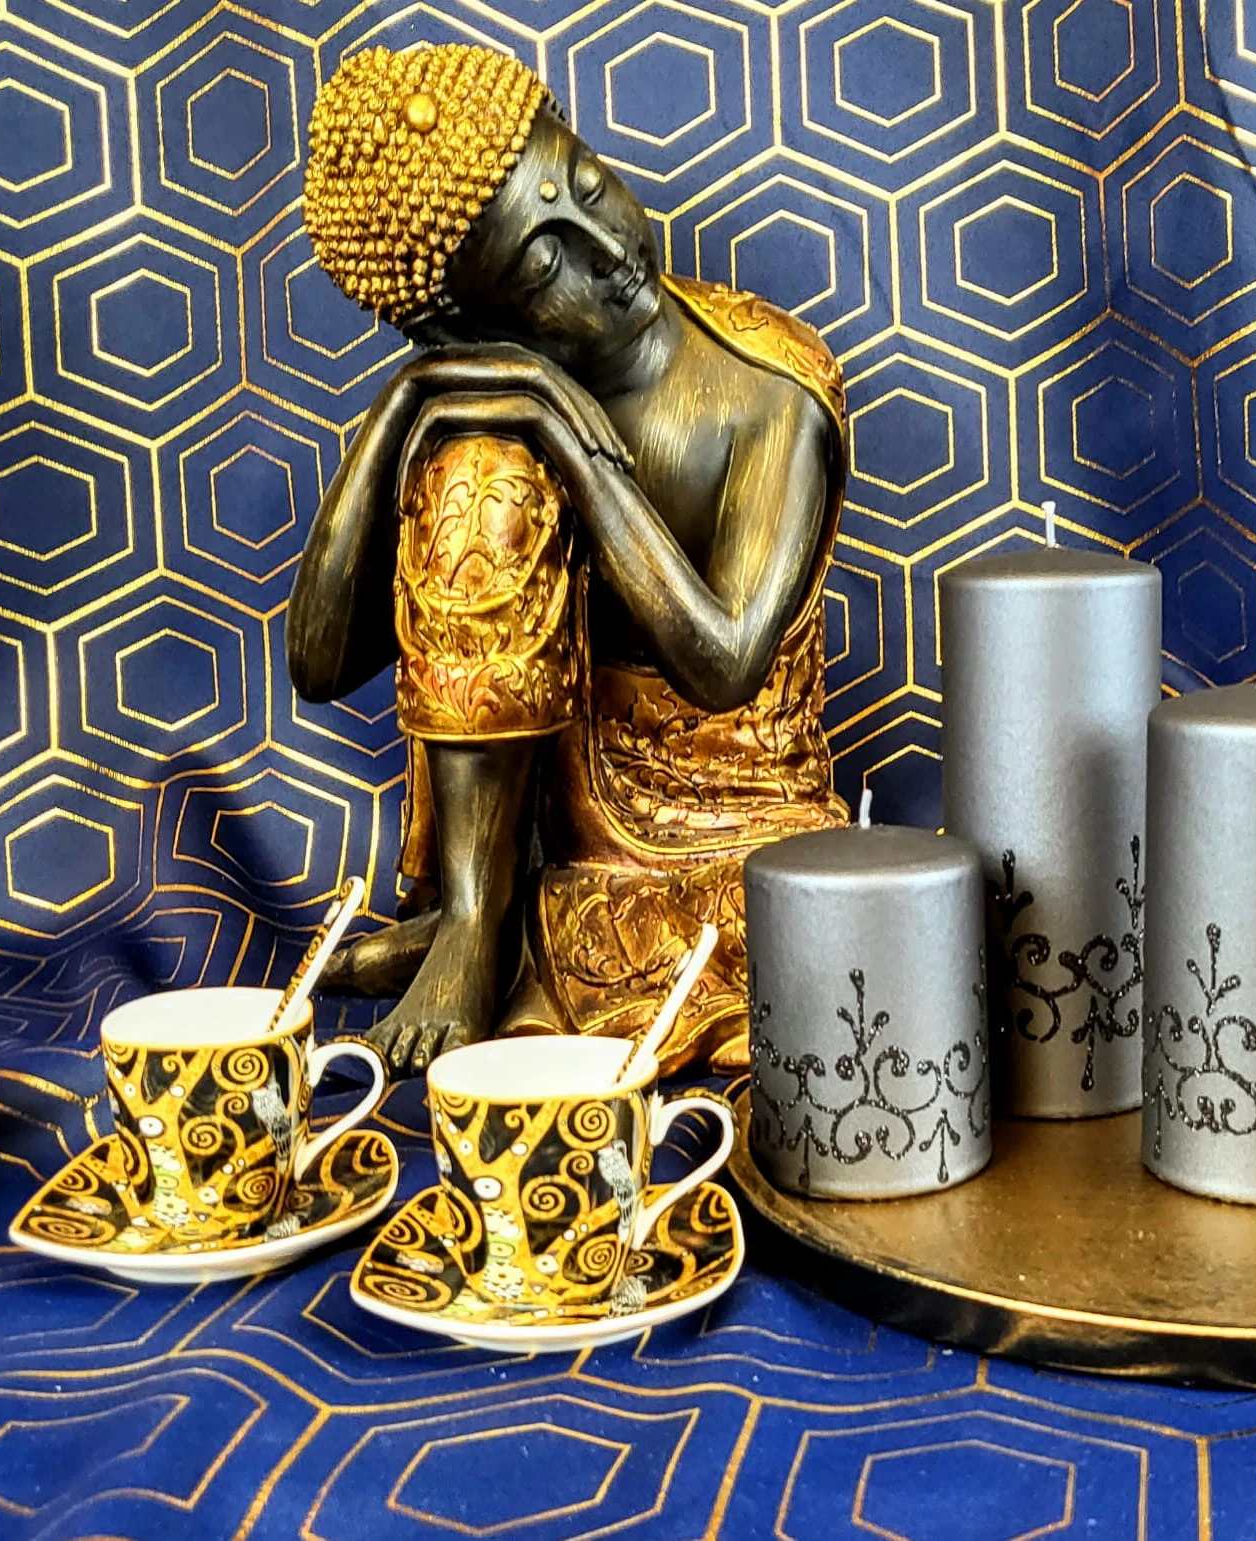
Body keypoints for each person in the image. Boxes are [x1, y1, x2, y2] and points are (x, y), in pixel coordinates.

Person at [287, 45, 847, 1075]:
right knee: (478, 473)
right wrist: (397, 411)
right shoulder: (480, 409)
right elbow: (320, 664)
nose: (605, 248)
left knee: (787, 922)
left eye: (587, 185)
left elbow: (726, 663)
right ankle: (478, 916)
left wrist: (573, 440)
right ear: (466, 323)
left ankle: (513, 933)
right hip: (548, 819)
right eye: (543, 266)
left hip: (722, 825)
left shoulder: (768, 389)